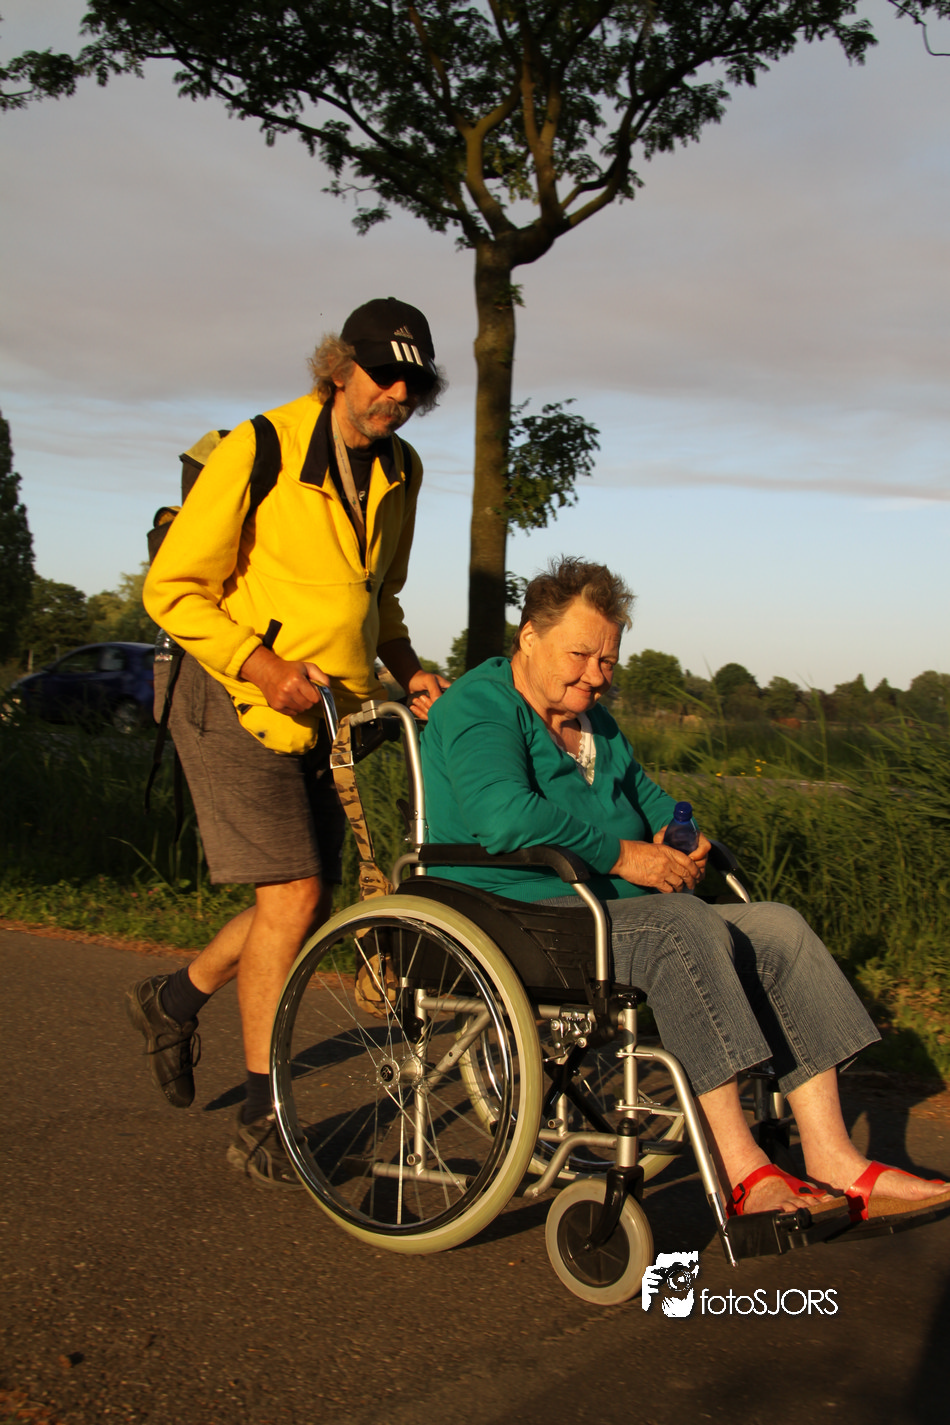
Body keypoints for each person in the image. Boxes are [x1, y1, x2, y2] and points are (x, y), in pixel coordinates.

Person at [420, 556, 950, 1225]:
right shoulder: (482, 705)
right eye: (580, 655)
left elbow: (648, 798)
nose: (596, 675)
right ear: (529, 637)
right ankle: (743, 1171)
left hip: (605, 909)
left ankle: (833, 1157)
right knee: (681, 925)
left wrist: (681, 835)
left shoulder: (594, 722)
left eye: (608, 660)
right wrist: (624, 856)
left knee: (779, 927)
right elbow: (503, 816)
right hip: (514, 911)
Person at [128, 297, 449, 1186]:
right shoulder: (262, 446)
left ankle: (171, 999)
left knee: (299, 900)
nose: (397, 395)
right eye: (383, 375)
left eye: (413, 384)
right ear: (339, 367)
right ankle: (264, 1116)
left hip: (328, 710)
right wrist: (262, 664)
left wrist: (408, 668)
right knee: (296, 893)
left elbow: (378, 595)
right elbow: (172, 588)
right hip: (232, 694)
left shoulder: (403, 469)